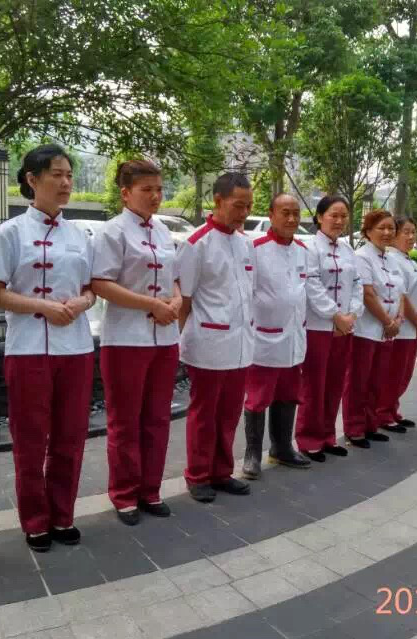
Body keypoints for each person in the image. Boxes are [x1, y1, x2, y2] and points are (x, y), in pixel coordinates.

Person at [0, 144, 96, 552]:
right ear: (32, 180)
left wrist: (82, 303)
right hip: (28, 348)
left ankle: (63, 515)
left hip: (76, 349)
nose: (65, 182)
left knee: (71, 436)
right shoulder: (9, 233)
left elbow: (91, 289)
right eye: (56, 174)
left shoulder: (80, 235)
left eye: (69, 175)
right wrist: (43, 307)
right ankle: (35, 520)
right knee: (31, 439)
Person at [92, 160, 181, 526]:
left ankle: (150, 489)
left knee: (158, 417)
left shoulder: (163, 230)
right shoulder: (112, 232)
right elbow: (101, 283)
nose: (156, 196)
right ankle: (125, 493)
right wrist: (152, 305)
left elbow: (174, 277)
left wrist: (175, 301)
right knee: (125, 420)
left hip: (164, 338)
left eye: (159, 189)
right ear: (126, 193)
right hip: (126, 339)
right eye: (147, 190)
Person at [176, 172, 255, 503]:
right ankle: (197, 475)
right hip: (208, 344)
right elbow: (184, 301)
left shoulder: (245, 244)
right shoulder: (196, 244)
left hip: (241, 344)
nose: (244, 213)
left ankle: (222, 471)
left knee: (230, 412)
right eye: (238, 205)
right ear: (218, 201)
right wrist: (177, 345)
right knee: (205, 413)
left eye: (249, 206)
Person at [241, 194, 311, 480]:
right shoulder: (255, 248)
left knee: (289, 394)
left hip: (294, 337)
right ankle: (252, 454)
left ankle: (281, 447)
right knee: (258, 398)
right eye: (285, 212)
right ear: (271, 214)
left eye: (296, 213)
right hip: (265, 339)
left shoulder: (302, 250)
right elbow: (245, 293)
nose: (292, 218)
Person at [295, 196, 363, 462]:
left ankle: (327, 436)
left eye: (344, 216)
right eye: (334, 215)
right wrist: (335, 315)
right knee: (314, 384)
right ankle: (308, 438)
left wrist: (351, 315)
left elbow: (357, 284)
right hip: (317, 326)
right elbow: (311, 284)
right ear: (320, 217)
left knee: (335, 382)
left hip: (344, 326)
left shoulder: (348, 250)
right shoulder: (309, 247)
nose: (339, 220)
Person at [341, 210, 403, 448]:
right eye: (381, 228)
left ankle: (370, 424)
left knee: (377, 380)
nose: (387, 232)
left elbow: (399, 292)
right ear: (368, 231)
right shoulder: (361, 257)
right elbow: (367, 294)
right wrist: (388, 322)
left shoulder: (391, 258)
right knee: (359, 381)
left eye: (391, 228)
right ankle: (354, 428)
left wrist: (398, 319)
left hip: (387, 331)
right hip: (366, 330)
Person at [377, 215, 417, 430]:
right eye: (405, 232)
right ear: (395, 235)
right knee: (394, 373)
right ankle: (383, 413)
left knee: (404, 373)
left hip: (414, 327)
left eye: (413, 232)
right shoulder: (393, 260)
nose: (410, 237)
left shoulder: (409, 260)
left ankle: (392, 410)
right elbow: (403, 296)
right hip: (404, 327)